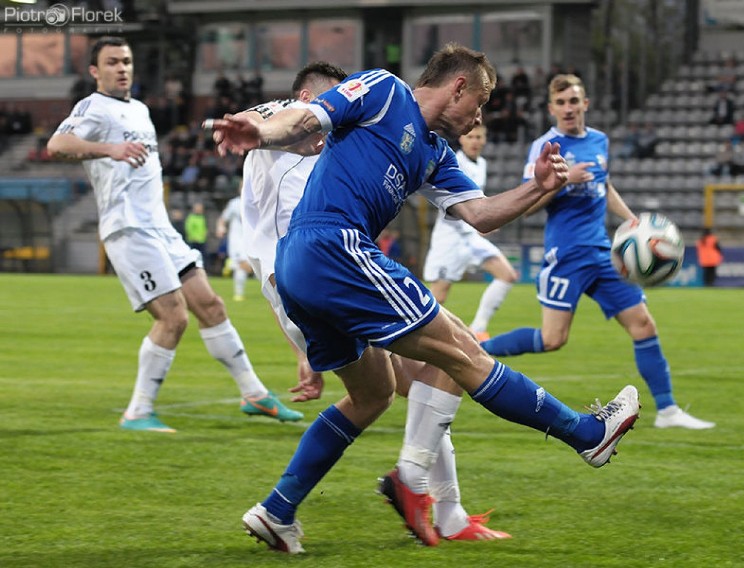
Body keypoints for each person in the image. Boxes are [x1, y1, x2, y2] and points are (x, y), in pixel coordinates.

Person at [207, 43, 640, 554]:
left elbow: (480, 214)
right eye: (477, 103)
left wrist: (538, 187)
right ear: (457, 86)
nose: (478, 116)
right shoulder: (385, 91)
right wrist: (259, 131)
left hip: (301, 270)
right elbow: (308, 116)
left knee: (373, 395)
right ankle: (584, 434)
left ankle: (279, 509)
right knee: (463, 352)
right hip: (333, 245)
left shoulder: (435, 154)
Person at [237, 62, 511, 543]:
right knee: (446, 359)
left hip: (310, 277)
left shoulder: (340, 139)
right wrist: (263, 129)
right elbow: (267, 121)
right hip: (323, 269)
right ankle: (435, 503)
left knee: (389, 389)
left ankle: (280, 509)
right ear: (306, 96)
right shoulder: (289, 116)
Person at [46, 36, 303, 433]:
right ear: (95, 71)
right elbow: (57, 144)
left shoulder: (141, 110)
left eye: (126, 61)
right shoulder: (92, 107)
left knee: (212, 306)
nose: (122, 68)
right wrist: (109, 150)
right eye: (112, 62)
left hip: (159, 228)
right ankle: (138, 411)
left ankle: (253, 394)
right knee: (173, 317)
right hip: (128, 229)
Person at [480, 74, 714, 431]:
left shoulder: (599, 141)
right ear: (551, 109)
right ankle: (480, 350)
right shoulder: (545, 147)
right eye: (561, 103)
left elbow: (604, 185)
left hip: (604, 254)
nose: (568, 108)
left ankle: (667, 411)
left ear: (584, 104)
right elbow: (528, 205)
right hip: (566, 255)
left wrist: (633, 221)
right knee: (552, 339)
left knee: (643, 324)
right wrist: (563, 181)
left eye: (574, 101)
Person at [422, 123, 518, 342]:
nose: (475, 141)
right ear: (463, 139)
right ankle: (413, 340)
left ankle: (477, 330)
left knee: (507, 275)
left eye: (479, 137)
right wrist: (477, 222)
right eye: (471, 137)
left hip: (470, 237)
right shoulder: (454, 162)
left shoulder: (481, 164)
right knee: (439, 296)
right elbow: (447, 201)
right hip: (450, 239)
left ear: (484, 140)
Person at [215, 184, 252, 301]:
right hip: (236, 241)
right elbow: (223, 218)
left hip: (250, 241)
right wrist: (220, 228)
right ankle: (238, 294)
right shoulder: (234, 203)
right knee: (243, 266)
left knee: (249, 268)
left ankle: (230, 264)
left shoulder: (255, 202)